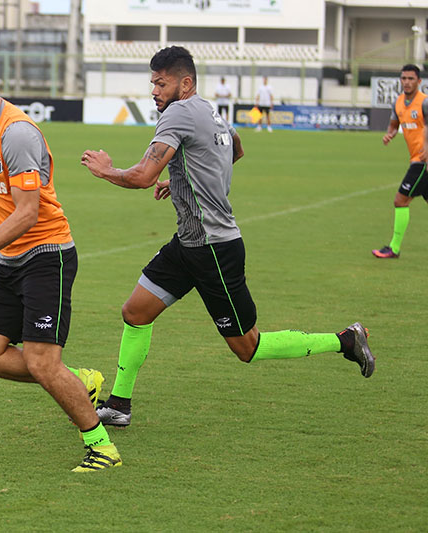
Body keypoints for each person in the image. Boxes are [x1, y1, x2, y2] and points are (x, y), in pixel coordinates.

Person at [80, 46, 376, 428]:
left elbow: (141, 176)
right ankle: (119, 404)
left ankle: (346, 340)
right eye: (152, 82)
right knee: (135, 312)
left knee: (247, 347)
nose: (154, 90)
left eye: (161, 82)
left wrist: (106, 170)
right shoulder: (209, 109)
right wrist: (184, 178)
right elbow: (235, 148)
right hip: (188, 244)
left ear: (184, 83)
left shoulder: (179, 112)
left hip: (214, 250)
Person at [0, 40, 121, 471]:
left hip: (46, 257)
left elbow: (28, 212)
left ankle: (102, 448)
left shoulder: (16, 132)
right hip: (12, 259)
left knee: (41, 361)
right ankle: (79, 381)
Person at [372, 64, 428, 259]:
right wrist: (390, 135)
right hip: (417, 159)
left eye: (411, 79)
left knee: (400, 200)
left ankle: (394, 248)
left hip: (422, 161)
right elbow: (394, 125)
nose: (407, 82)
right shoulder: (397, 103)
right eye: (404, 78)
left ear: (419, 82)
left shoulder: (425, 103)